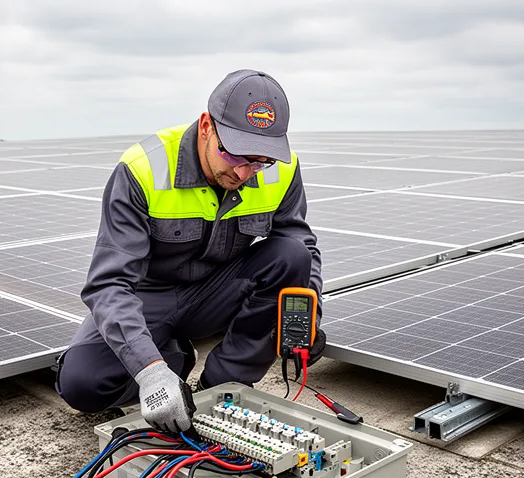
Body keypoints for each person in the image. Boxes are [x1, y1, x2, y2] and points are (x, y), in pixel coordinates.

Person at [55, 69, 325, 433]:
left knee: (292, 254)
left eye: (261, 160)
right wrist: (150, 371)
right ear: (205, 127)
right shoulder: (143, 169)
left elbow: (302, 246)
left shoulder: (282, 171)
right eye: (235, 155)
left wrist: (310, 314)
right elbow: (109, 285)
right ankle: (172, 357)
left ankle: (224, 382)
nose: (246, 172)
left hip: (218, 294)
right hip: (149, 297)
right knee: (82, 385)